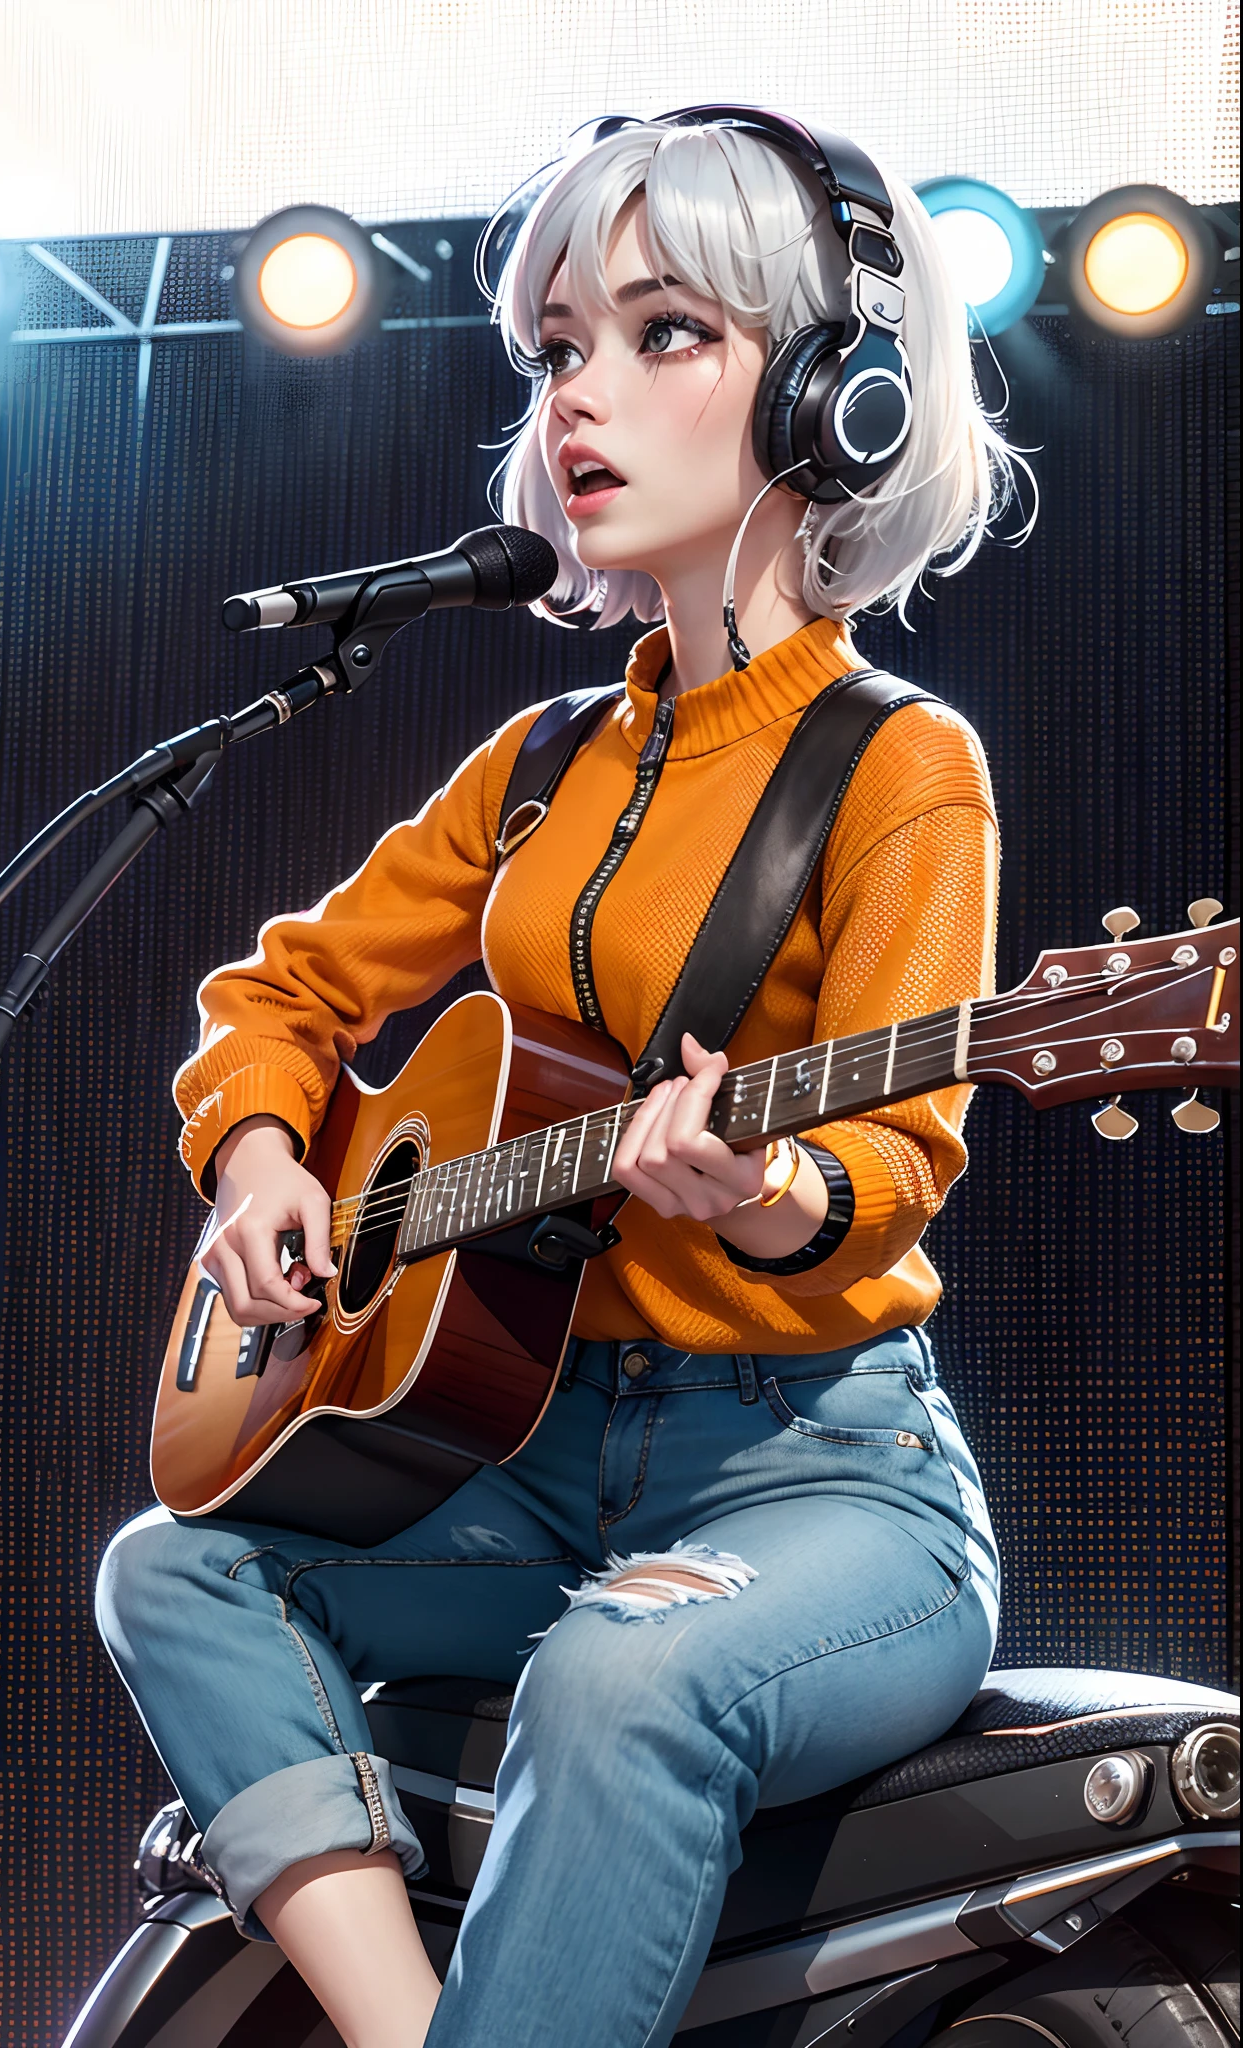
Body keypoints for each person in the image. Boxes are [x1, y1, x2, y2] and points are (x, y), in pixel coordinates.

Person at [96, 109, 1036, 2048]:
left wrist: (764, 1193)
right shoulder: (540, 768)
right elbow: (273, 989)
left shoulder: (894, 765)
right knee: (177, 1568)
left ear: (828, 395)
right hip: (527, 1469)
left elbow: (891, 1149)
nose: (579, 397)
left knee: (614, 1680)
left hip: (819, 1480)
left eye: (661, 333)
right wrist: (265, 1154)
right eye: (553, 349)